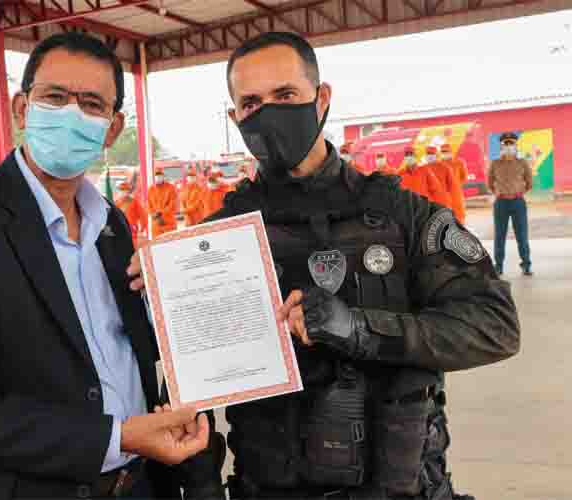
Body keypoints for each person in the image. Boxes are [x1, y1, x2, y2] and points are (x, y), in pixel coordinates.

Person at [128, 31, 520, 500]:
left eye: (286, 95)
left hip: (400, 487)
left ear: (321, 99)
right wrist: (160, 287)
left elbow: (496, 326)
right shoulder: (214, 240)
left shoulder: (405, 217)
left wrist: (358, 328)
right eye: (251, 103)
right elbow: (182, 392)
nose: (268, 112)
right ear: (235, 118)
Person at [0, 32, 209, 500]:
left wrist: (166, 301)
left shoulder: (114, 226)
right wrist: (115, 437)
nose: (71, 115)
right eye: (55, 97)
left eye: (90, 103)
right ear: (22, 109)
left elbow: (120, 352)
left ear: (111, 128)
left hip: (139, 484)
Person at [488, 132, 533, 276]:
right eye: (505, 144)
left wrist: (519, 192)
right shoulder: (495, 163)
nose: (508, 146)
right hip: (501, 203)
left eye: (511, 144)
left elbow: (529, 182)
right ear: (501, 146)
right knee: (499, 236)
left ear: (515, 145)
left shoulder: (522, 163)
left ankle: (526, 264)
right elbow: (489, 182)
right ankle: (499, 265)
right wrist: (497, 192)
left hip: (518, 203)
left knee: (522, 235)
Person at [440, 143, 469, 223]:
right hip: (443, 194)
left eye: (446, 151)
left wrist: (456, 185)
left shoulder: (459, 163)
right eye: (443, 152)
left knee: (459, 213)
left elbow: (464, 177)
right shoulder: (438, 164)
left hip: (456, 193)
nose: (445, 153)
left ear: (451, 151)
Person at [148, 167, 179, 238]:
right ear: (154, 177)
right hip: (156, 224)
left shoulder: (171, 188)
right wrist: (155, 215)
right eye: (157, 176)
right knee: (156, 246)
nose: (158, 177)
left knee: (170, 244)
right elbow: (148, 206)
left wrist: (161, 214)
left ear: (163, 176)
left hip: (168, 222)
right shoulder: (151, 190)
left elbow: (172, 204)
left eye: (160, 175)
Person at [115, 181, 148, 247]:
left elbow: (143, 216)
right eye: (121, 190)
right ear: (118, 191)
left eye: (125, 190)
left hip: (132, 232)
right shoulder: (116, 203)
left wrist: (142, 229)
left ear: (128, 191)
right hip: (121, 233)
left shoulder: (134, 202)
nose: (123, 192)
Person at [425, 145, 456, 210]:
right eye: (428, 153)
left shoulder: (445, 168)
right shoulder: (423, 169)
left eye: (432, 153)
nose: (430, 156)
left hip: (443, 201)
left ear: (436, 155)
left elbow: (452, 185)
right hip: (429, 202)